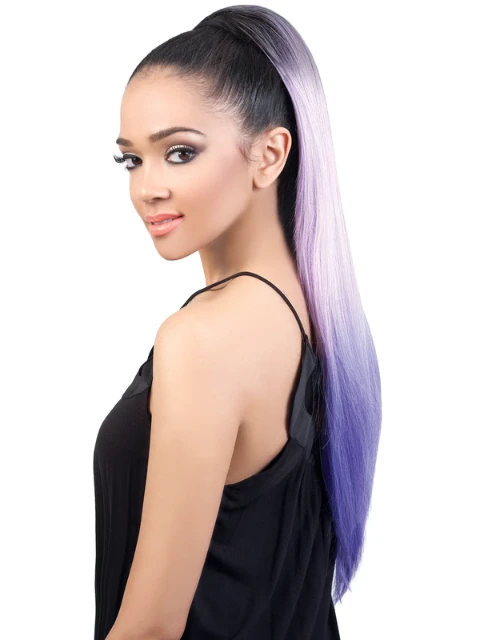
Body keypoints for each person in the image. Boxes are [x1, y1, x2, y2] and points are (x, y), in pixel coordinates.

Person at [93, 5, 382, 639]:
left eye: (179, 152)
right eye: (131, 160)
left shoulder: (205, 341)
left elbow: (149, 629)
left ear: (270, 154)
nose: (146, 188)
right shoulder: (314, 319)